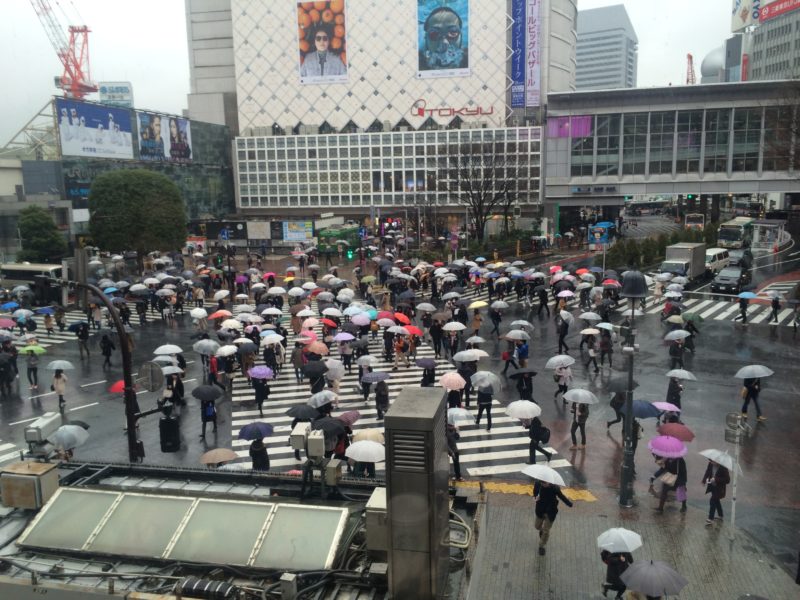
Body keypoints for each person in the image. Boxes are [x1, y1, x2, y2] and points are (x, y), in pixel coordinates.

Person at [419, 6, 469, 72]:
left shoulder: (470, 58)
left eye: (453, 32)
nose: (444, 42)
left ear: (461, 36)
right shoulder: (417, 62)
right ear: (426, 38)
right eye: (434, 34)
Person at [533, 479, 573, 556]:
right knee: (537, 526)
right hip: (540, 510)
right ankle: (541, 531)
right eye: (542, 483)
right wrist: (535, 497)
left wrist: (569, 503)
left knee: (546, 531)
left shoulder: (555, 488)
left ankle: (541, 546)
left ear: (549, 481)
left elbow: (562, 496)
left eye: (545, 483)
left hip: (550, 512)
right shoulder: (538, 484)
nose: (544, 484)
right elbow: (534, 493)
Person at [702, 459, 731, 526]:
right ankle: (720, 515)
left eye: (713, 461)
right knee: (716, 501)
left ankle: (710, 519)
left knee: (712, 500)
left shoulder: (723, 467)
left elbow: (727, 480)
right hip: (712, 486)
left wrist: (716, 479)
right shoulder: (710, 464)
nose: (711, 463)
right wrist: (704, 480)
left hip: (719, 488)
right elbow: (707, 471)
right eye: (710, 461)